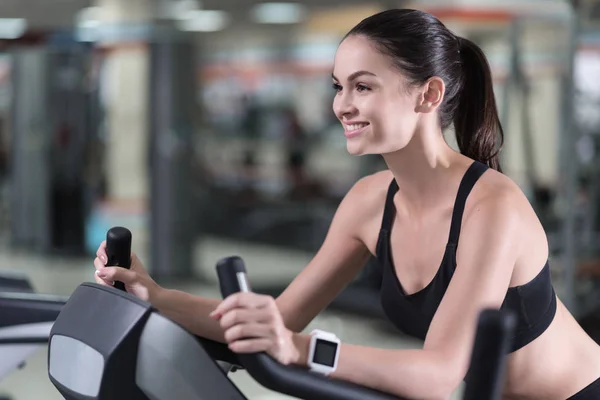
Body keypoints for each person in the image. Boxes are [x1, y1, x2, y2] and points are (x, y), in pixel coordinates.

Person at [94, 9, 600, 400]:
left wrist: (300, 350)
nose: (341, 105)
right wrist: (155, 296)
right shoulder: (367, 203)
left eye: (363, 86)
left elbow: (437, 375)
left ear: (427, 96)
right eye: (338, 86)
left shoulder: (492, 207)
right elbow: (279, 317)